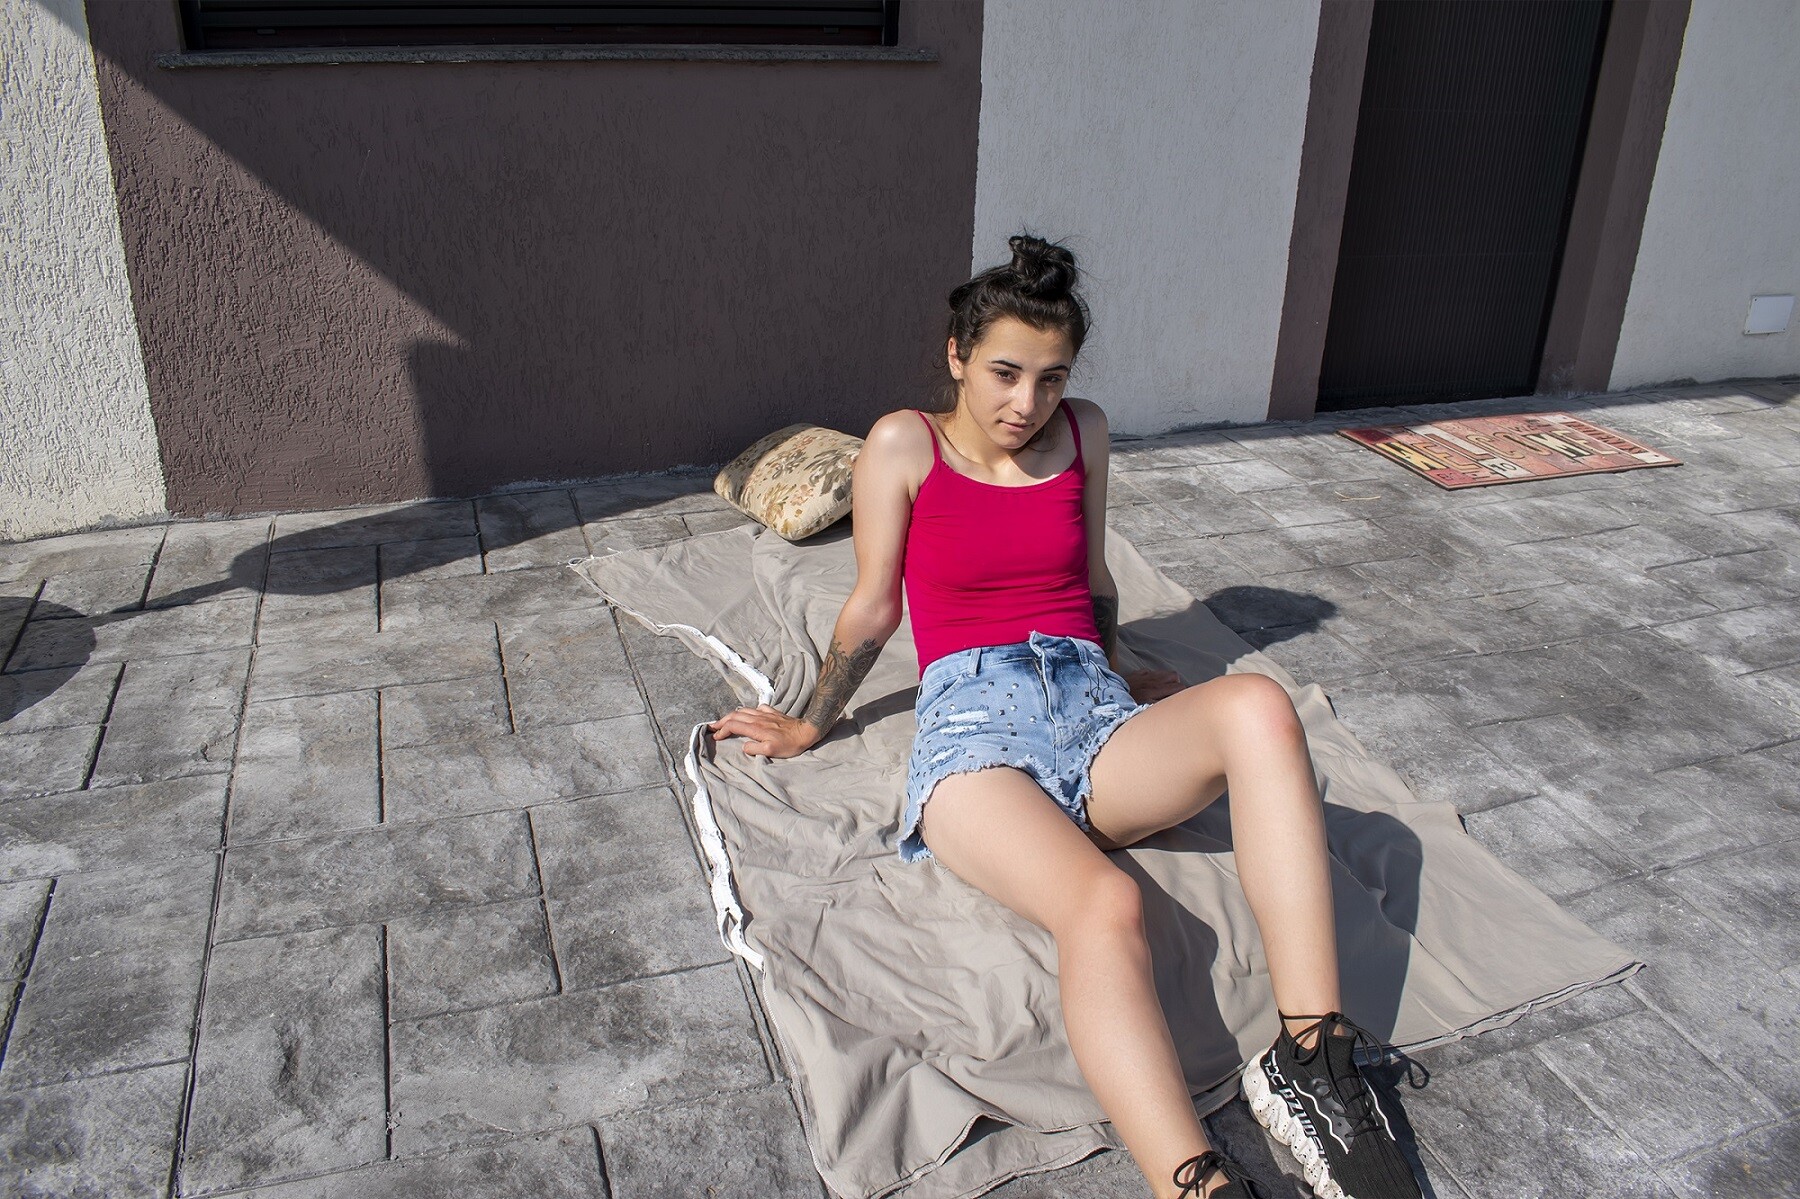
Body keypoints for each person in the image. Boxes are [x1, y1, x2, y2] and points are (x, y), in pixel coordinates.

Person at [706, 234, 1423, 1199]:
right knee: (1105, 903)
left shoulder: (1085, 432)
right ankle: (1194, 1183)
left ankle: (1314, 1063)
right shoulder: (904, 443)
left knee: (1259, 705)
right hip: (974, 735)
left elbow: (1093, 578)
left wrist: (1121, 664)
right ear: (957, 355)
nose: (1027, 403)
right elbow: (874, 607)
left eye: (1051, 378)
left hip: (1092, 708)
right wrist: (808, 722)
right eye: (1004, 373)